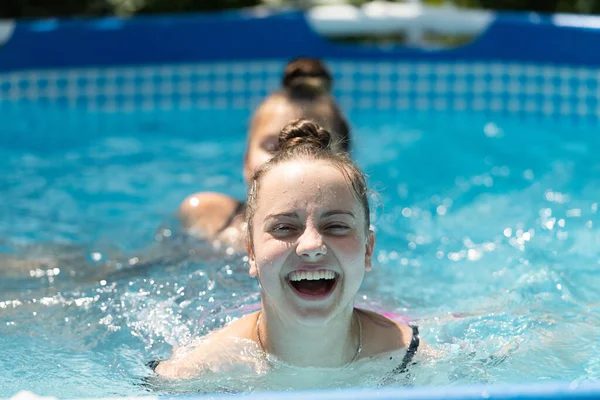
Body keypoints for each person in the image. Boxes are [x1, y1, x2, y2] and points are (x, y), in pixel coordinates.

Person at [152, 119, 419, 383]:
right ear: (251, 252)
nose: (312, 245)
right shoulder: (199, 373)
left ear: (368, 250)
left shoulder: (409, 357)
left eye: (336, 226)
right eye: (284, 228)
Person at [178, 58, 351, 251]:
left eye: (311, 146)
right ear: (246, 161)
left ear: (345, 169)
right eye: (272, 146)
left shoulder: (346, 241)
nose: (287, 159)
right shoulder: (209, 216)